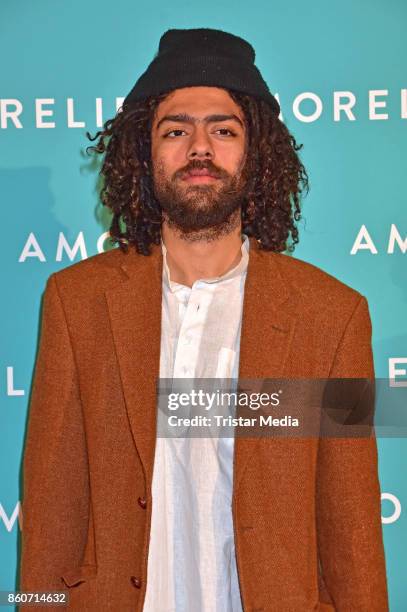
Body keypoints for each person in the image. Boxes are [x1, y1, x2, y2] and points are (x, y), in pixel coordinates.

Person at [20, 28, 389, 611]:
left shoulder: (332, 317)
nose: (199, 147)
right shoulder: (77, 302)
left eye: (223, 129)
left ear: (256, 153)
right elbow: (50, 510)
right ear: (144, 154)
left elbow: (351, 525)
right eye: (175, 129)